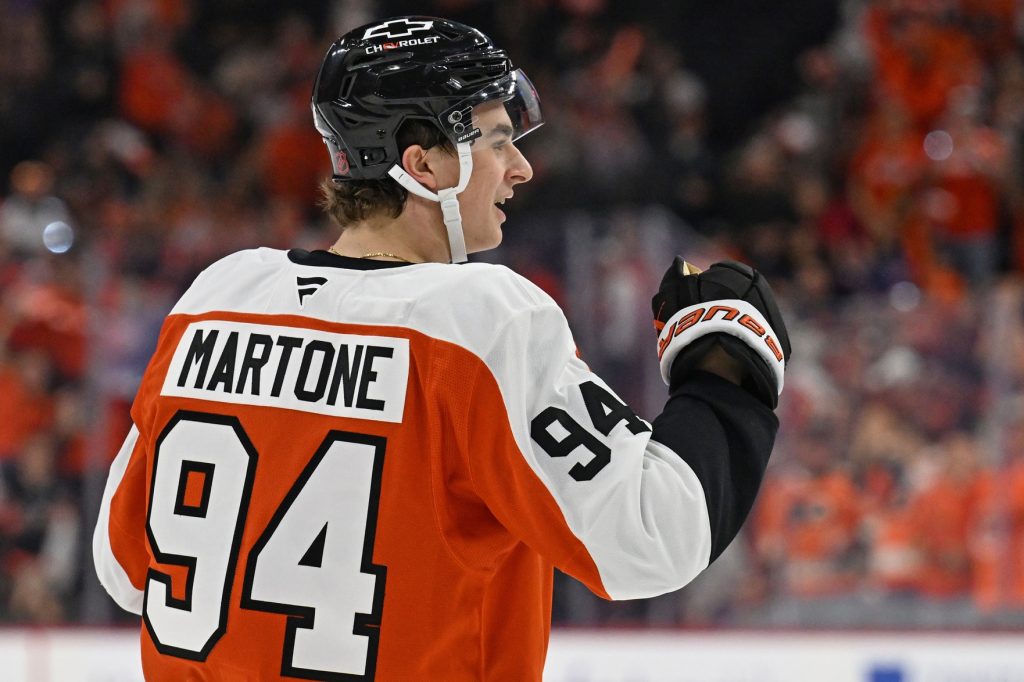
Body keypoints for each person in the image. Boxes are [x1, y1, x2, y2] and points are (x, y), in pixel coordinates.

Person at [93, 16, 790, 681]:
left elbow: (124, 569)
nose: (520, 169)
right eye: (495, 141)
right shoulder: (479, 323)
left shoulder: (217, 298)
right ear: (421, 164)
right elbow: (655, 536)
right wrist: (723, 371)